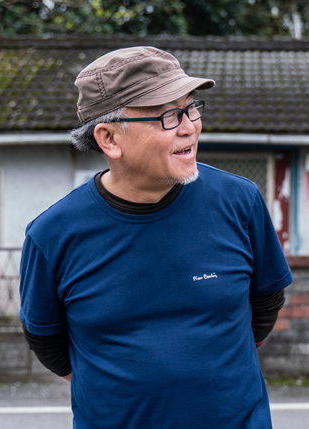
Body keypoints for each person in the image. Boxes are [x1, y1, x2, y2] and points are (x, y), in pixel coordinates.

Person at [19, 46, 293, 429]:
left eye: (190, 108)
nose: (188, 126)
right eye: (167, 115)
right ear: (109, 139)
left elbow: (266, 302)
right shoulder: (53, 234)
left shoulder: (239, 200)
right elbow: (47, 341)